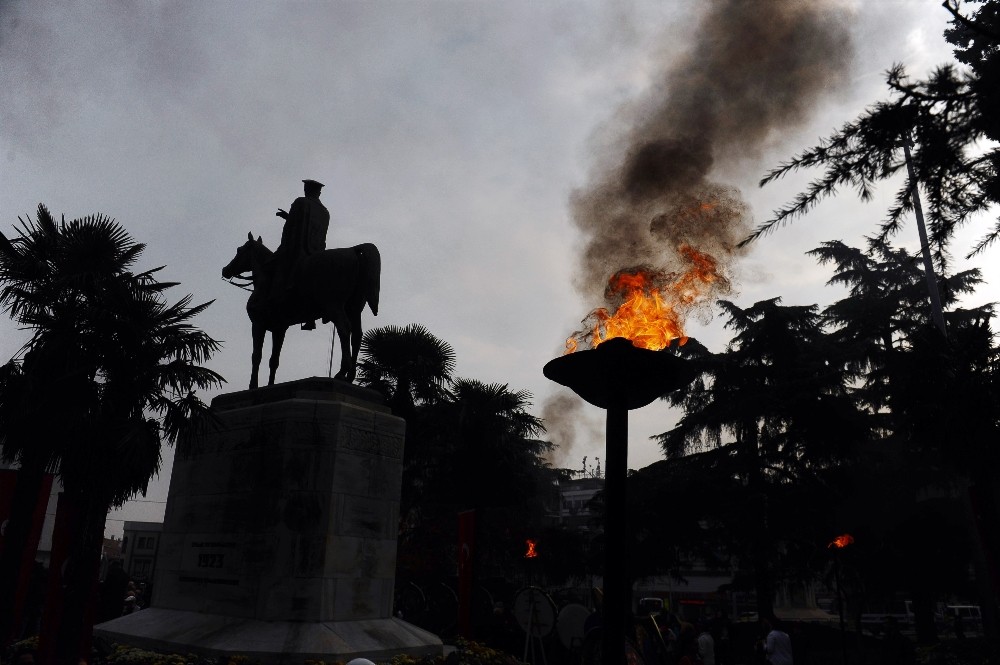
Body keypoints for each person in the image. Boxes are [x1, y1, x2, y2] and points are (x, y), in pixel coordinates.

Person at [272, 178, 331, 329]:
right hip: (317, 252)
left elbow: (292, 227)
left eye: (306, 188)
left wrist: (283, 247)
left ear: (308, 190)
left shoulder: (301, 202)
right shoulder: (325, 212)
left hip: (300, 249)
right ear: (318, 192)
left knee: (274, 268)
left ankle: (278, 300)